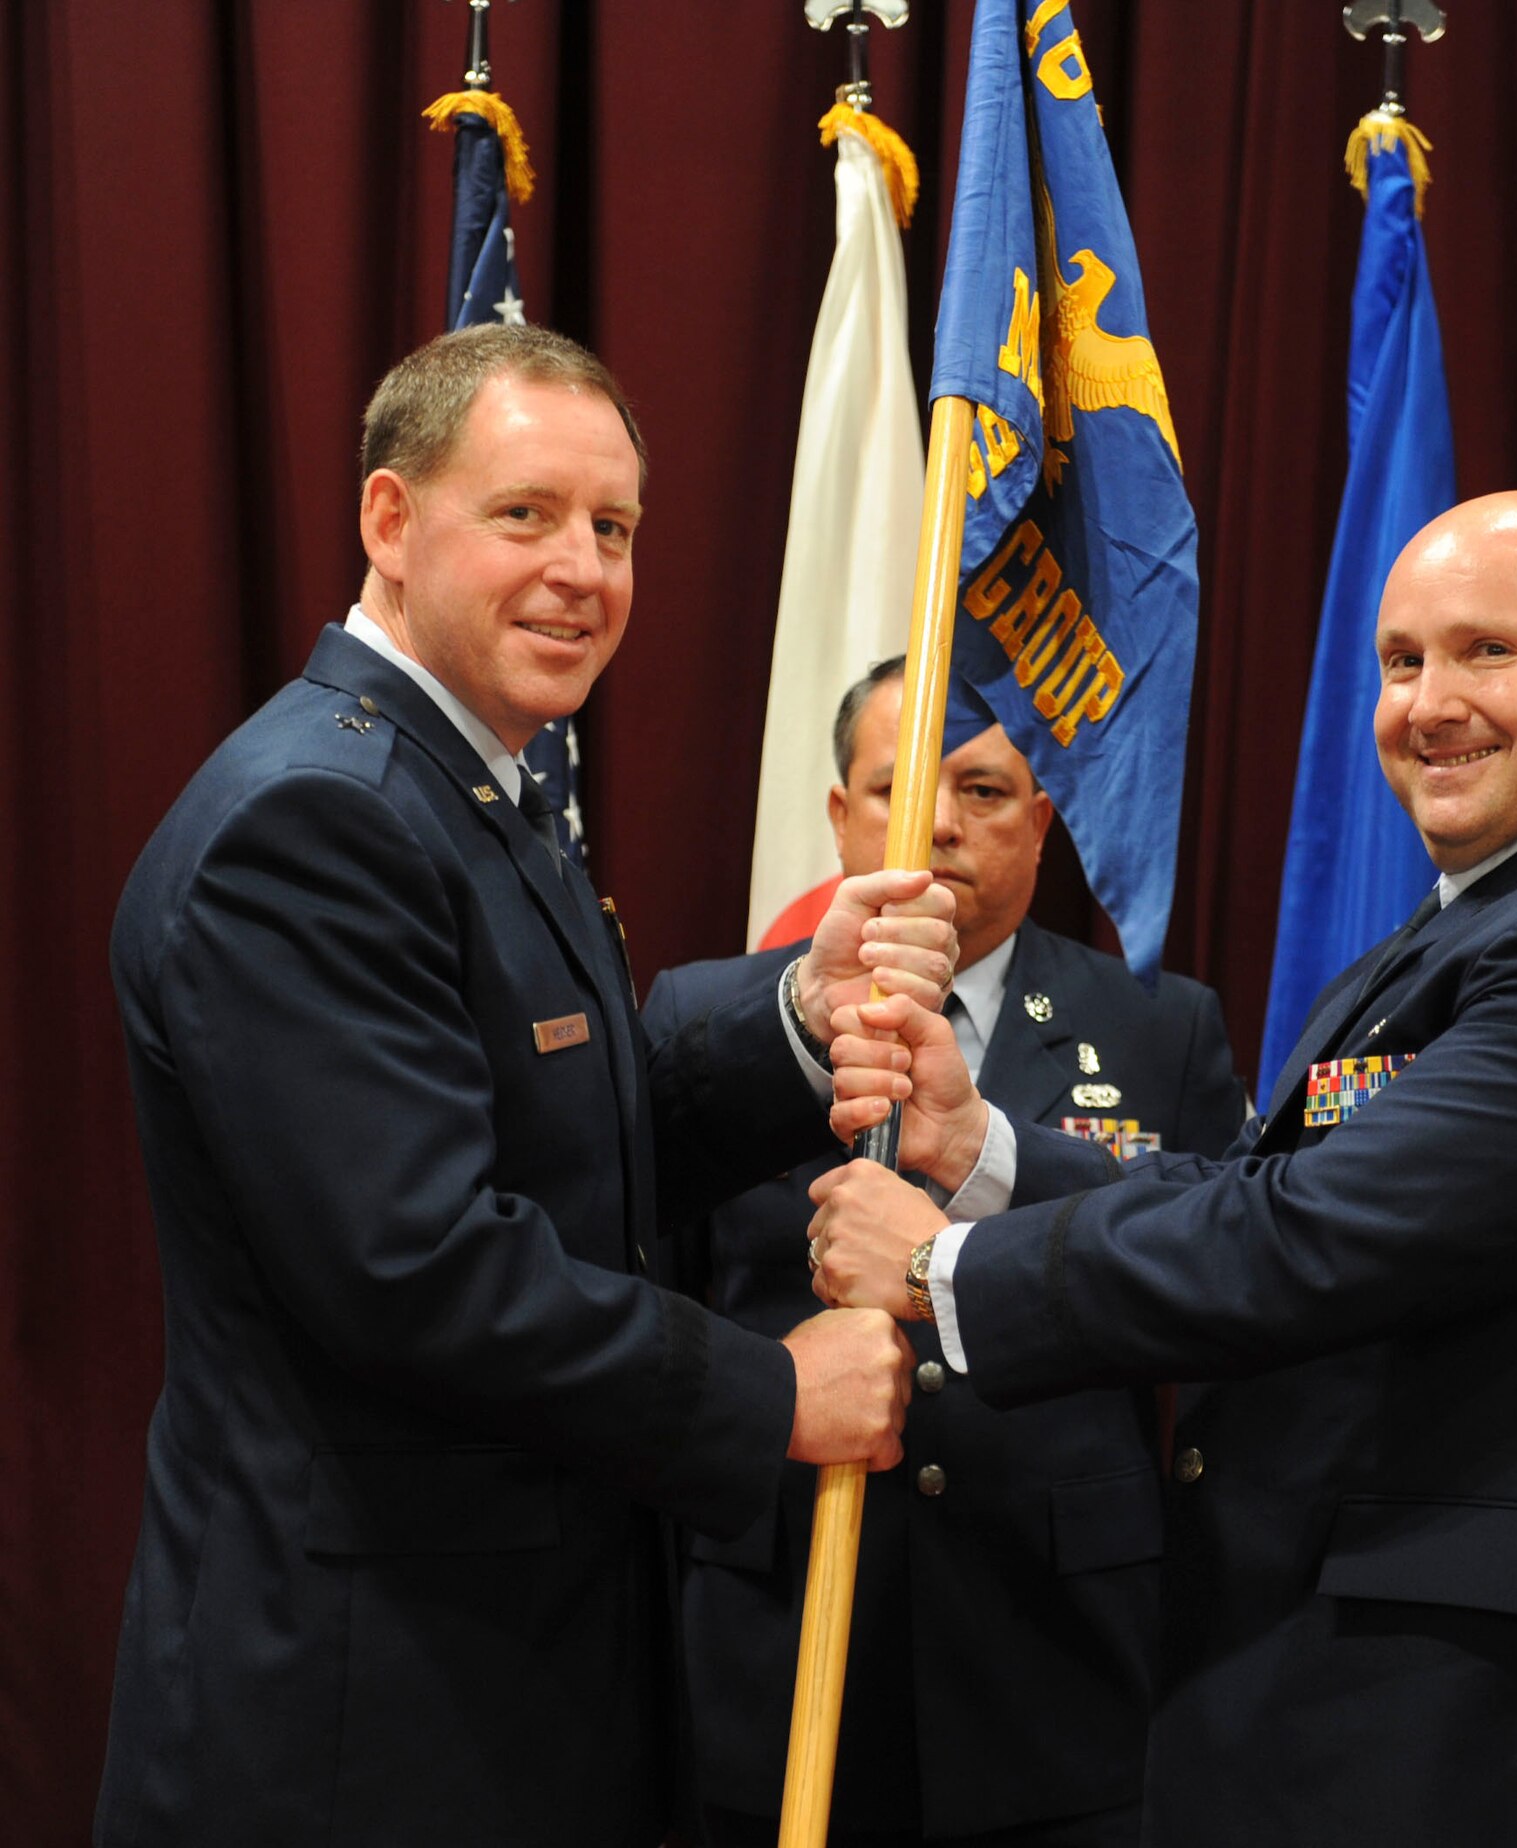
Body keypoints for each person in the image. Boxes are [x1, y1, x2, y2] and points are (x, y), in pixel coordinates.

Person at [809, 493, 1517, 1846]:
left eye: (1489, 651)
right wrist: (983, 1157)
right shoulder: (1474, 929)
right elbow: (1266, 1196)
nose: (1431, 703)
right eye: (1402, 660)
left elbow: (1307, 1242)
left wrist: (931, 1266)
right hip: (1415, 1722)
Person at [96, 325, 949, 1848]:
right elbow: (423, 1270)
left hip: (503, 1675)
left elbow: (576, 1143)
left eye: (613, 528)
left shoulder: (471, 788)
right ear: (389, 522)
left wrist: (800, 1020)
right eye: (527, 513)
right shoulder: (319, 822)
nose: (583, 569)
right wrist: (771, 1394)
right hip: (368, 1717)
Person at [649, 657, 1246, 1848]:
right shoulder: (706, 1019)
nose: (933, 823)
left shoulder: (1158, 1025)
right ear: (837, 816)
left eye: (980, 790)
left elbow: (1217, 1284)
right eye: (892, 786)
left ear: (1040, 819)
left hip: (1054, 1645)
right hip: (778, 1632)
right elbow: (656, 1304)